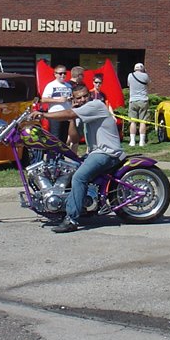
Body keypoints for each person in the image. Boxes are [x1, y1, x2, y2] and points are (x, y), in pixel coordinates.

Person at [30, 82, 126, 233]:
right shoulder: (81, 113)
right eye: (78, 98)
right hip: (95, 152)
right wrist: (72, 120)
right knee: (70, 171)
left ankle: (71, 219)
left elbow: (69, 113)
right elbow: (74, 138)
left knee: (79, 178)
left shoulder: (96, 105)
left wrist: (44, 114)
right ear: (73, 99)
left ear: (89, 95)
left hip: (107, 152)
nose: (82, 100)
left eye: (84, 96)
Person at [40, 64, 72, 144]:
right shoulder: (51, 85)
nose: (63, 75)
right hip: (55, 115)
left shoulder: (69, 86)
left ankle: (60, 156)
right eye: (60, 73)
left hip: (66, 115)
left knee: (63, 138)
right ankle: (53, 155)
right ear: (55, 74)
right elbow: (43, 99)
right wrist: (59, 100)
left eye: (65, 73)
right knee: (55, 137)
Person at [126, 62, 150, 147]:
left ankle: (132, 141)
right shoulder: (145, 76)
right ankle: (141, 141)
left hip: (132, 100)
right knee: (142, 121)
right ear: (142, 69)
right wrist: (145, 72)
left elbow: (129, 85)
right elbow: (148, 84)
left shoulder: (130, 75)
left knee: (133, 121)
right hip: (143, 100)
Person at [66, 66, 85, 149]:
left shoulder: (80, 85)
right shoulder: (68, 85)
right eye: (83, 75)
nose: (83, 77)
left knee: (76, 136)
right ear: (79, 75)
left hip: (78, 111)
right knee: (74, 136)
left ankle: (73, 155)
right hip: (73, 111)